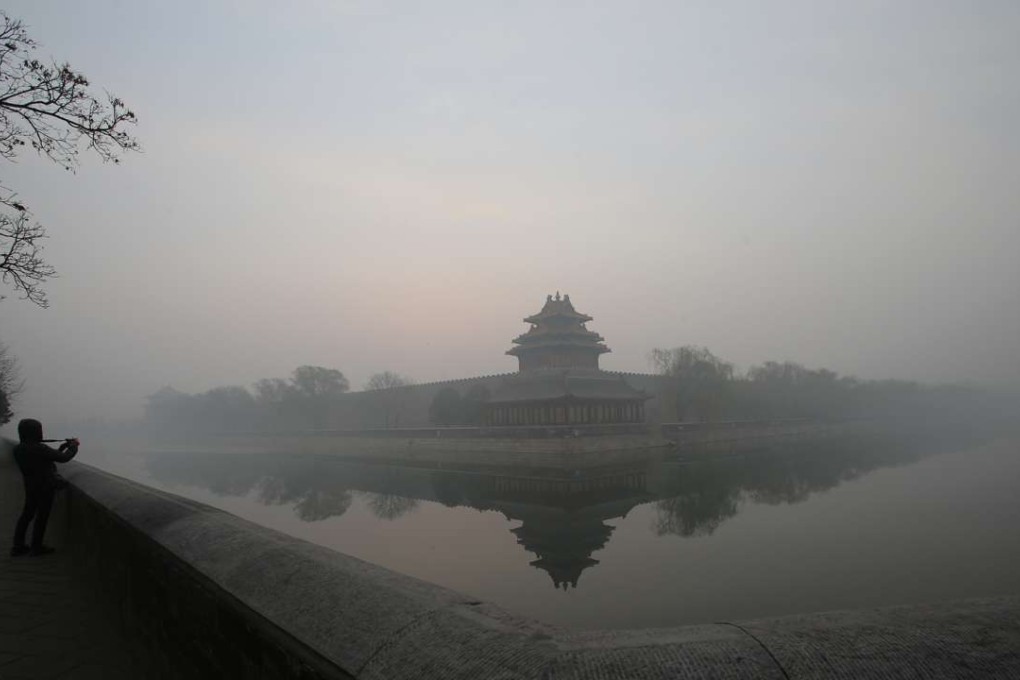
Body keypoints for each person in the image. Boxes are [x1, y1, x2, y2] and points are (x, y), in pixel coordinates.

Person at [10, 418, 79, 557]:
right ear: (35, 431)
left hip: (30, 485)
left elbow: (46, 457)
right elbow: (63, 458)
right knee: (42, 517)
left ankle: (18, 546)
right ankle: (37, 547)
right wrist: (74, 446)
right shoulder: (39, 447)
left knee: (27, 515)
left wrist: (62, 447)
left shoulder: (19, 449)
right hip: (45, 487)